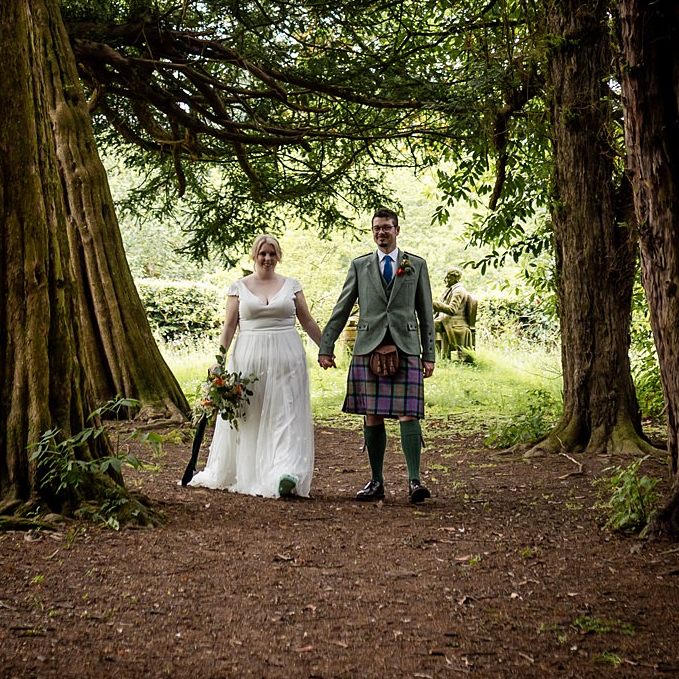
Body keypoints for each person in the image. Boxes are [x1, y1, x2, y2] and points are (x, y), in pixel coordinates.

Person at [187, 234, 326, 499]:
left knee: (286, 413)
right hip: (249, 361)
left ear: (279, 256)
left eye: (272, 254)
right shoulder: (238, 287)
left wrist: (325, 347)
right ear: (254, 256)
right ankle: (251, 471)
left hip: (287, 360)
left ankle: (286, 472)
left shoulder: (292, 285)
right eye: (263, 253)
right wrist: (218, 361)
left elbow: (307, 320)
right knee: (252, 414)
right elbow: (229, 326)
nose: (267, 258)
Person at [318, 209, 435, 503]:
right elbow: (342, 307)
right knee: (372, 415)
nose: (381, 233)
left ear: (397, 230)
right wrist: (326, 346)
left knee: (410, 412)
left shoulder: (416, 265)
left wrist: (429, 353)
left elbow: (426, 313)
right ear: (372, 232)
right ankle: (376, 482)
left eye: (386, 228)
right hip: (368, 347)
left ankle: (414, 481)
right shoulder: (360, 266)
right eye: (376, 229)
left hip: (406, 346)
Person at [435, 268, 477, 363]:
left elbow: (452, 310)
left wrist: (435, 304)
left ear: (455, 278)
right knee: (425, 324)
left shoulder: (458, 291)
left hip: (454, 323)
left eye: (448, 277)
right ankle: (435, 355)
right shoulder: (450, 289)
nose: (445, 279)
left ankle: (430, 354)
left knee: (426, 326)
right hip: (445, 321)